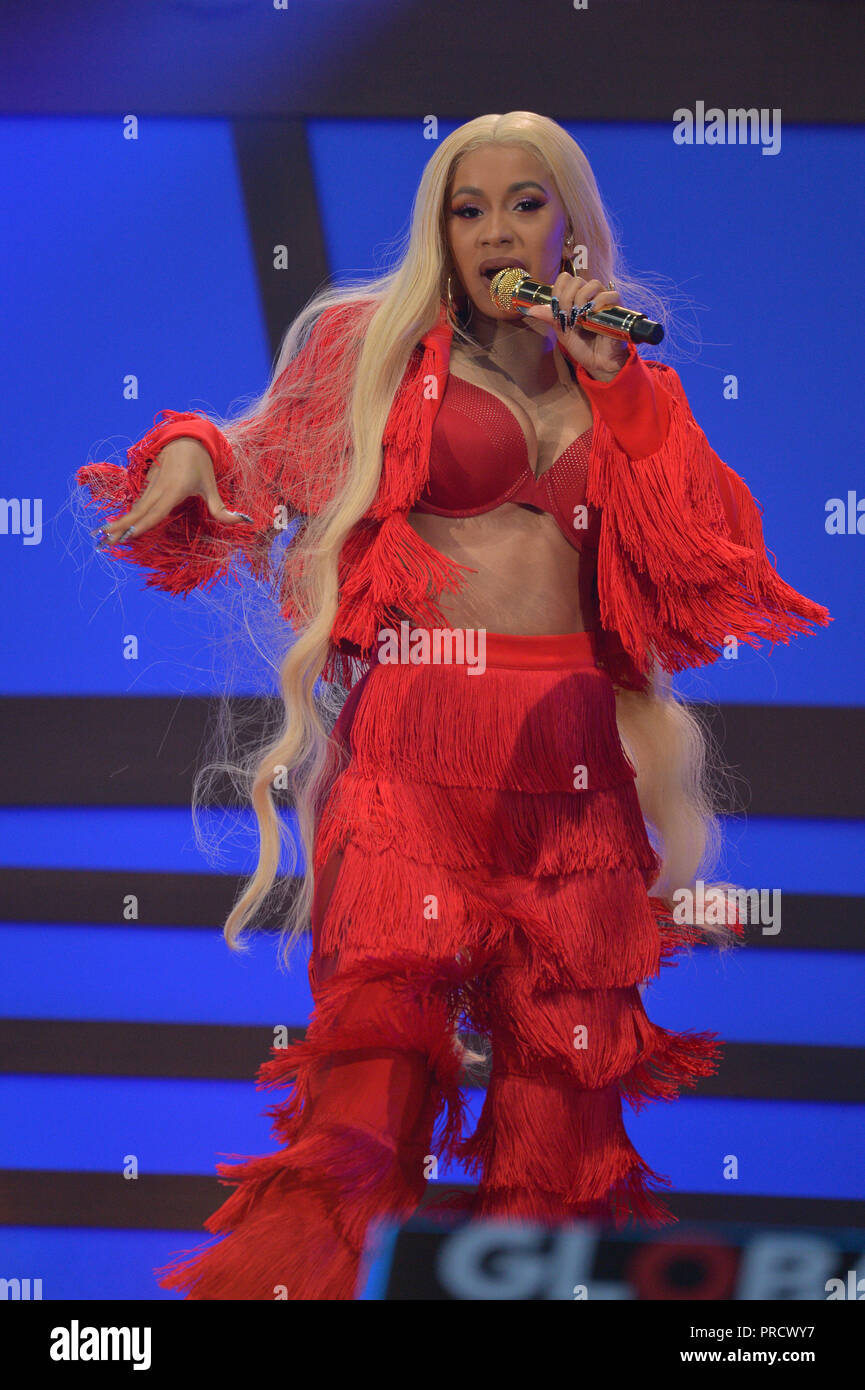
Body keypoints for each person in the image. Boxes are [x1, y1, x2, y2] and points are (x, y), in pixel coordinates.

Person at [78, 112, 830, 1300]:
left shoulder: (628, 382)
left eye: (522, 203)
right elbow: (257, 449)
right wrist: (191, 458)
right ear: (441, 229)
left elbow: (706, 560)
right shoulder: (373, 348)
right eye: (466, 209)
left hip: (573, 780)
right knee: (363, 1121)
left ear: (571, 221)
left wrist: (617, 389)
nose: (493, 231)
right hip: (412, 769)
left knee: (562, 1148)